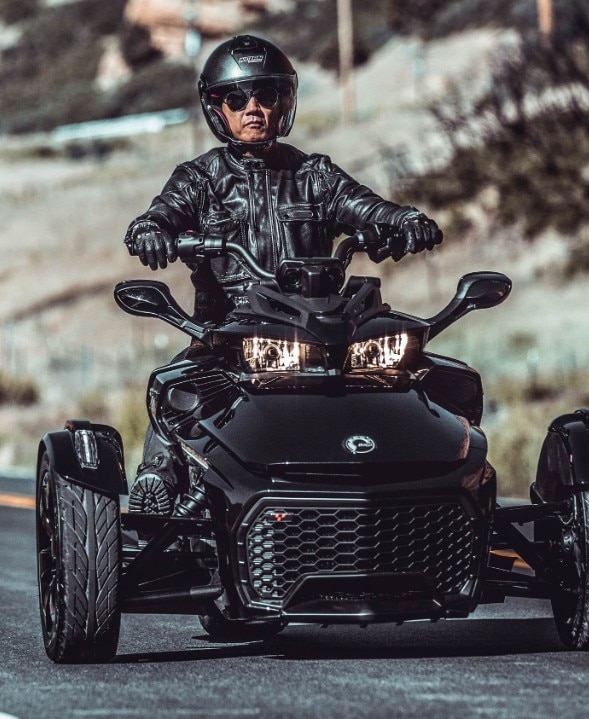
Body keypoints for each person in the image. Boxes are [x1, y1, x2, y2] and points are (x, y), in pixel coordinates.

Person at [123, 35, 444, 507]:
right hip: (227, 335)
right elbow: (160, 215)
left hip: (319, 330)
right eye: (237, 98)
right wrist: (150, 231)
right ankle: (160, 487)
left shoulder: (315, 175)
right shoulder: (199, 179)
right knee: (174, 389)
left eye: (265, 96)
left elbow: (366, 206)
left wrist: (404, 220)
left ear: (283, 103)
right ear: (218, 109)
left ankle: (435, 478)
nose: (252, 108)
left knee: (420, 375)